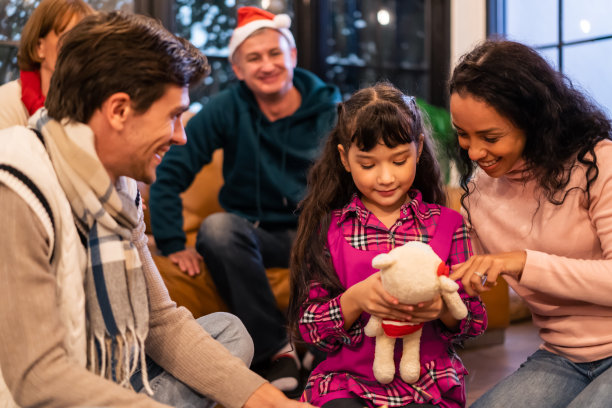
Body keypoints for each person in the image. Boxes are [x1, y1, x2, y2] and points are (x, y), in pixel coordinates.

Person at [0, 11, 316, 408]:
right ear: (118, 111)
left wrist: (275, 403)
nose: (182, 136)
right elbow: (39, 379)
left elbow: (158, 321)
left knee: (229, 332)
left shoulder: (120, 182)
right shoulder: (16, 186)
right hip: (47, 391)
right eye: (173, 116)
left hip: (116, 370)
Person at [149, 5, 341, 393]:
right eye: (253, 58)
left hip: (316, 234)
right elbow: (169, 169)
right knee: (217, 228)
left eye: (274, 53)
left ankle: (326, 350)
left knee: (340, 230)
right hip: (253, 236)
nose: (266, 65)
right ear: (238, 69)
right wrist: (171, 241)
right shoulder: (226, 109)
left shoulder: (330, 109)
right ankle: (276, 351)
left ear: (293, 57)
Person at [287, 83, 487, 408]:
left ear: (418, 149)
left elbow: (474, 320)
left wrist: (442, 310)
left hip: (428, 383)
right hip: (349, 385)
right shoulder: (329, 229)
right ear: (345, 158)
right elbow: (310, 329)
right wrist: (354, 300)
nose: (385, 177)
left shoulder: (449, 225)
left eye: (398, 160)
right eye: (368, 164)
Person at [448, 39, 612, 408]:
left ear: (533, 120)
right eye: (463, 134)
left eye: (490, 137)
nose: (473, 152)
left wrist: (523, 261)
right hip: (562, 356)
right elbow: (459, 284)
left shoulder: (598, 164)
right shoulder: (478, 196)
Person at [0, 0, 94, 129]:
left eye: (86, 42)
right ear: (39, 47)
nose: (79, 50)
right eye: (69, 40)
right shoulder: (6, 103)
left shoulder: (96, 106)